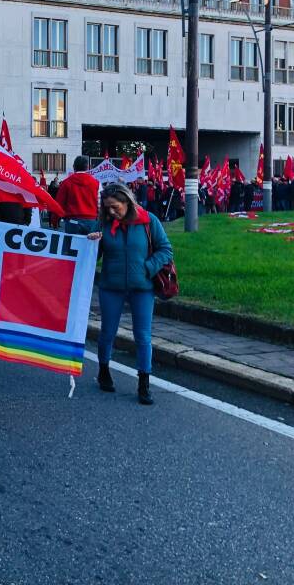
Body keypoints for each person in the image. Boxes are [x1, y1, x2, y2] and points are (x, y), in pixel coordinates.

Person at [87, 183, 173, 405]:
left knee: (143, 336)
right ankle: (104, 370)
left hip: (142, 288)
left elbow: (166, 249)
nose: (111, 212)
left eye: (115, 207)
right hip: (111, 286)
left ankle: (144, 382)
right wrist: (92, 244)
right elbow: (93, 257)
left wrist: (148, 268)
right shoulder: (105, 224)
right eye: (107, 208)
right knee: (107, 332)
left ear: (127, 202)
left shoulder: (149, 221)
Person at [53, 156, 101, 235]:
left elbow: (59, 203)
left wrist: (55, 220)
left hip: (72, 221)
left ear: (74, 167)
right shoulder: (96, 183)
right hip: (91, 221)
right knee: (89, 246)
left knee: (71, 246)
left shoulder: (66, 183)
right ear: (87, 167)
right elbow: (100, 204)